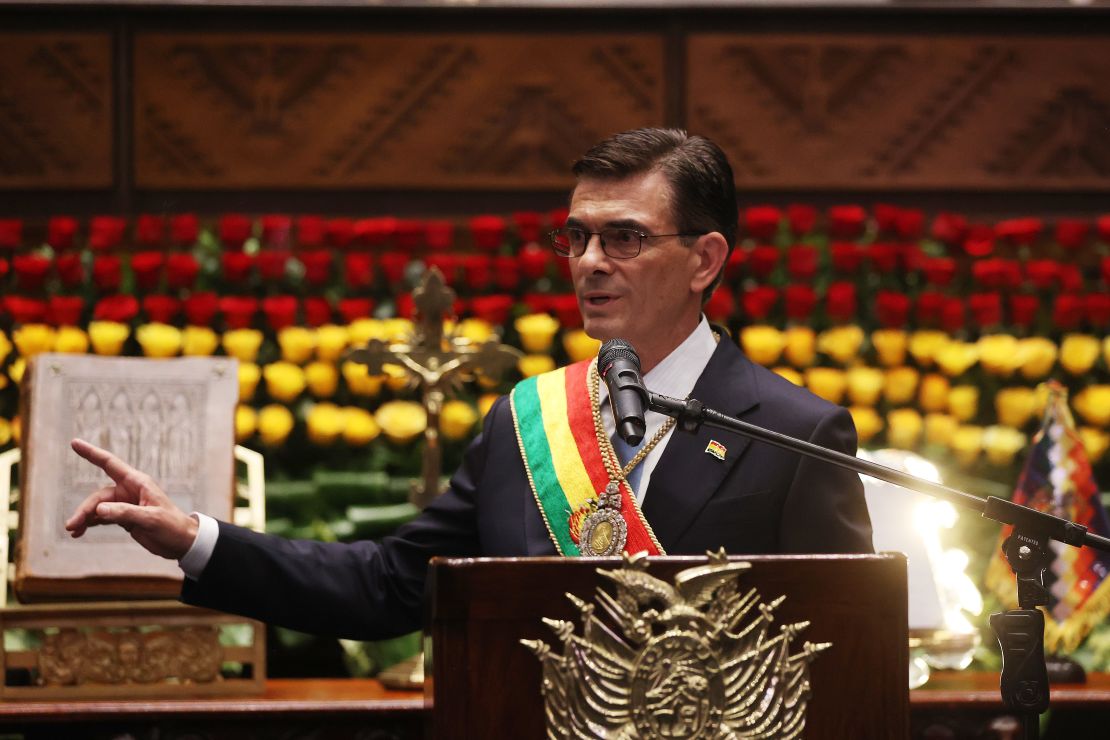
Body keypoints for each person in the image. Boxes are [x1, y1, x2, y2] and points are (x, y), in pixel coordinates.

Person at [66, 128, 872, 641]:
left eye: (624, 237)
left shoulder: (796, 434)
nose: (590, 262)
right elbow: (387, 586)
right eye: (577, 237)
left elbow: (843, 654)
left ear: (705, 260)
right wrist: (198, 537)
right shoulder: (528, 420)